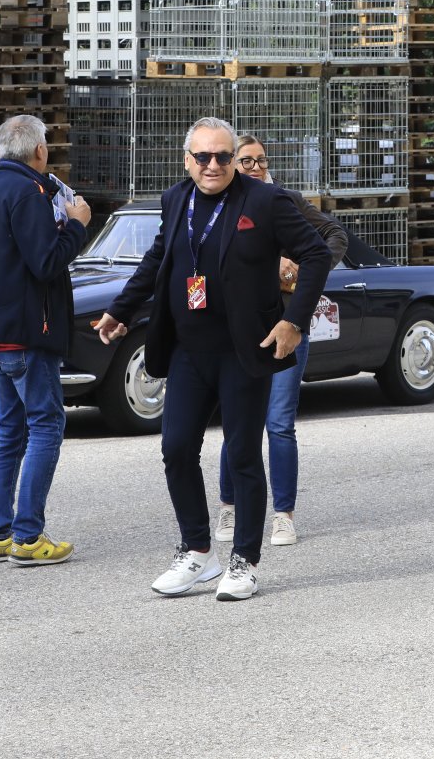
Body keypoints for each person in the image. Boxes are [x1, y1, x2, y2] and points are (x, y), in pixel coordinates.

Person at [95, 117, 330, 601]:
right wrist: (120, 310)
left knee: (242, 455)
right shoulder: (175, 200)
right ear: (188, 160)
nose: (213, 165)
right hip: (188, 349)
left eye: (223, 156)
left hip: (244, 351)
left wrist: (294, 321)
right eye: (203, 156)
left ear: (234, 160)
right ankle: (198, 552)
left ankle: (244, 561)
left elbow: (317, 254)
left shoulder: (265, 201)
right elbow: (158, 259)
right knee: (176, 449)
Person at [0, 114, 91, 567]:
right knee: (46, 426)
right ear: (39, 150)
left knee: (11, 430)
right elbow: (46, 262)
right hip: (25, 335)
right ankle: (28, 536)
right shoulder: (28, 192)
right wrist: (77, 224)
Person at [213, 135, 349, 548]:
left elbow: (335, 235)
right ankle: (229, 506)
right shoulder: (220, 204)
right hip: (239, 328)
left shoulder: (285, 200)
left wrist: (306, 271)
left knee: (279, 423)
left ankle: (283, 515)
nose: (255, 167)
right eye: (246, 160)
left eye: (261, 160)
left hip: (288, 324)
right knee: (238, 421)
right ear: (232, 163)